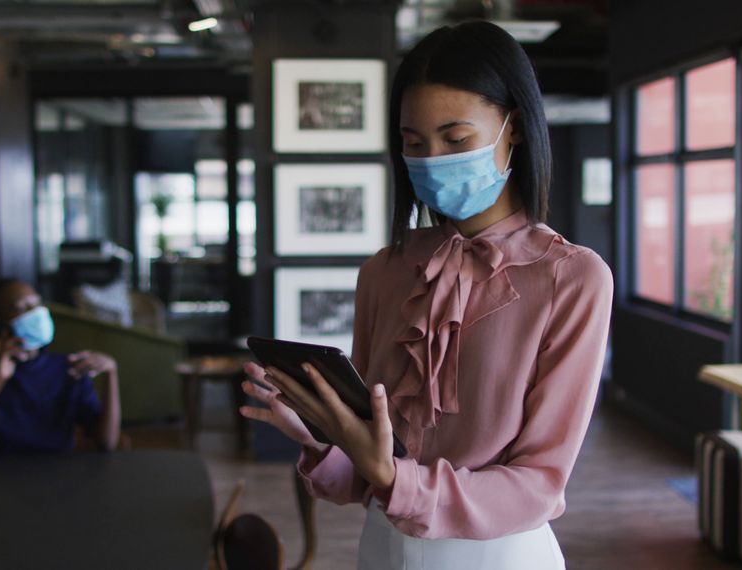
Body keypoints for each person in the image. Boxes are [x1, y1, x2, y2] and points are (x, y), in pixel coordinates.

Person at [239, 21, 613, 569]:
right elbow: (370, 471)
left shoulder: (573, 279)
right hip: (382, 548)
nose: (433, 159)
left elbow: (539, 484)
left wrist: (396, 478)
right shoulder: (384, 272)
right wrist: (324, 437)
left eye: (456, 139)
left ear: (516, 128)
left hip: (499, 556)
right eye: (414, 143)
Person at [0, 279, 121, 462]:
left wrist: (111, 373)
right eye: (23, 308)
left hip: (58, 475)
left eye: (37, 304)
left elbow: (107, 442)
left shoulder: (68, 368)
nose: (36, 313)